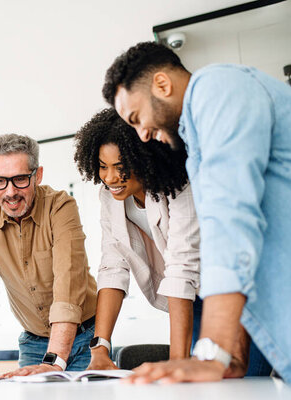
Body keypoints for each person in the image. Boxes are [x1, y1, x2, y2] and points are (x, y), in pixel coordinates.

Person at [102, 41, 291, 383]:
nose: (141, 134)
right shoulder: (197, 147)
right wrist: (233, 352)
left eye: (136, 118)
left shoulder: (216, 89)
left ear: (162, 84)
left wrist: (212, 351)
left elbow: (230, 218)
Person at [0, 134, 98, 377]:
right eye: (0, 181)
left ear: (37, 175)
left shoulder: (60, 206)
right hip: (33, 341)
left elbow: (68, 281)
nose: (10, 192)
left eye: (19, 179)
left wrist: (54, 362)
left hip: (85, 337)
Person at [73, 107, 200, 369]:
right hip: (193, 303)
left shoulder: (179, 184)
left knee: (242, 382)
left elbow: (181, 268)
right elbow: (112, 266)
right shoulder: (109, 196)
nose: (110, 178)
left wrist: (176, 364)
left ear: (144, 158)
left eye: (121, 167)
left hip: (230, 293)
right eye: (102, 167)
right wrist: (100, 349)